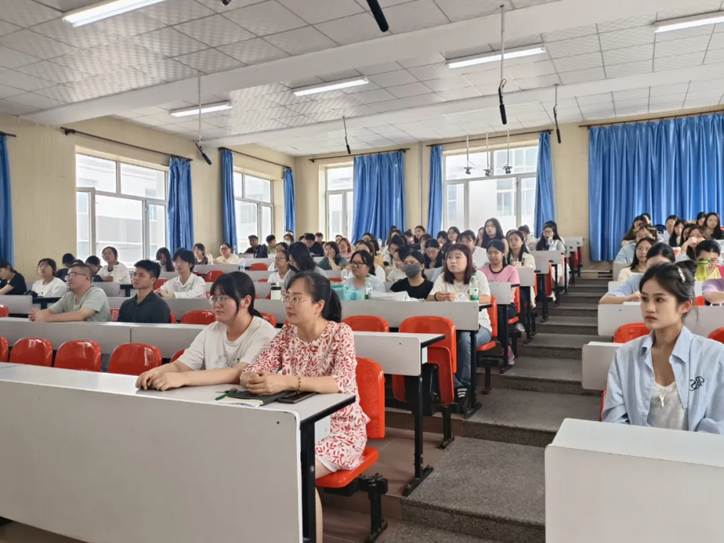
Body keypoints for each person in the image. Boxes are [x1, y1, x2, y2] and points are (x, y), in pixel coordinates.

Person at [240, 271, 369, 541]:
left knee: (295, 473)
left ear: (318, 305)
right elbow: (254, 368)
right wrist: (253, 378)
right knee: (253, 463)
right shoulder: (287, 333)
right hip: (295, 424)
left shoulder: (340, 333)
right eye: (287, 297)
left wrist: (286, 381)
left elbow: (341, 382)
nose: (288, 304)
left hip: (339, 429)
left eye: (297, 298)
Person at [603, 262, 724, 432]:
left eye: (659, 299)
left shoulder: (715, 355)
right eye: (645, 299)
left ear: (685, 306)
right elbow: (614, 419)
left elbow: (719, 424)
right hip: (635, 447)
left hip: (696, 449)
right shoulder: (625, 354)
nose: (649, 308)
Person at [136, 272, 277, 391]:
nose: (216, 304)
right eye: (214, 298)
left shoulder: (264, 333)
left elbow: (239, 372)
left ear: (246, 301)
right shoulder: (212, 330)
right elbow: (180, 366)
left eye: (223, 298)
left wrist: (183, 378)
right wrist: (153, 373)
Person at [428, 244, 493, 397]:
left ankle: (464, 384)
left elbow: (487, 298)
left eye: (458, 257)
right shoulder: (442, 278)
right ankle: (444, 384)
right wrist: (437, 296)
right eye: (449, 258)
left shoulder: (478, 276)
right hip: (451, 327)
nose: (453, 261)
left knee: (464, 339)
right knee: (439, 340)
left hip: (480, 326)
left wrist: (463, 296)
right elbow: (429, 298)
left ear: (468, 259)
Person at [29, 261, 110, 322]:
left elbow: (80, 315)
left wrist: (47, 318)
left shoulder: (97, 293)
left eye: (74, 274)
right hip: (74, 334)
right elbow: (50, 311)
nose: (69, 278)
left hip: (97, 336)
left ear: (87, 277)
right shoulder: (68, 296)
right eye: (68, 275)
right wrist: (38, 314)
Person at [600, 243, 675, 304]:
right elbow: (604, 300)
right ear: (646, 264)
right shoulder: (636, 280)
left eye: (662, 267)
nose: (656, 272)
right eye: (652, 267)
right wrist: (629, 298)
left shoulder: (677, 283)